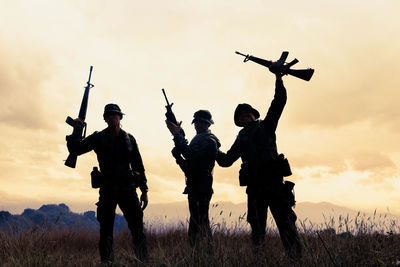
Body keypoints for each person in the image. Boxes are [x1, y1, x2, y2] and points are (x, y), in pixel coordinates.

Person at [216, 71, 302, 260]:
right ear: (238, 122)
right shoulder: (241, 138)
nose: (244, 116)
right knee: (257, 230)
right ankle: (259, 260)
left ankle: (295, 260)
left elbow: (278, 102)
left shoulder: (266, 126)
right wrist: (213, 145)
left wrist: (279, 79)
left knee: (286, 224)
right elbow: (226, 160)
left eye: (248, 113)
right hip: (254, 188)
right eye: (241, 116)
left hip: (274, 184)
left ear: (255, 115)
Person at [66, 104, 148, 264]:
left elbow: (139, 166)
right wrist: (76, 130)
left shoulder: (129, 139)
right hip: (108, 189)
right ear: (105, 119)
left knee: (137, 227)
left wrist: (144, 190)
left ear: (120, 117)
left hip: (128, 189)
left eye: (114, 115)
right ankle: (107, 261)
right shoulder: (98, 138)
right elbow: (75, 149)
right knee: (106, 229)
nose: (111, 117)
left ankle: (142, 260)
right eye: (108, 115)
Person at [165, 110, 220, 248]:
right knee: (196, 223)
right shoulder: (198, 140)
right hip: (194, 186)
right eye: (197, 122)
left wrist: (177, 135)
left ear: (208, 124)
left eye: (202, 122)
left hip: (202, 187)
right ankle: (199, 254)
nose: (198, 125)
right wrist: (178, 157)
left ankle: (206, 253)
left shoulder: (209, 141)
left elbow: (191, 156)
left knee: (200, 222)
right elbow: (190, 168)